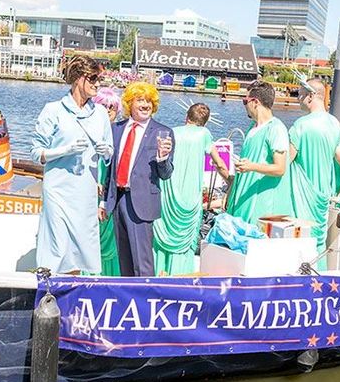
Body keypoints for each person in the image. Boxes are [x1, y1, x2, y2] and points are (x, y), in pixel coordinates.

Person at [31, 55, 114, 275]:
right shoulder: (53, 110)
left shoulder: (101, 114)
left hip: (85, 191)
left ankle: (73, 292)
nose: (98, 84)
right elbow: (36, 152)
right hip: (58, 189)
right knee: (57, 243)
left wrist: (107, 152)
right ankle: (49, 289)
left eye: (99, 79)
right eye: (93, 78)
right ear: (79, 78)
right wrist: (64, 150)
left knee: (81, 246)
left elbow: (109, 154)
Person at [102, 82, 174, 277]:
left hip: (142, 203)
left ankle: (145, 301)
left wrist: (163, 157)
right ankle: (128, 300)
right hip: (118, 200)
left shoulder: (163, 132)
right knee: (124, 261)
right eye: (140, 100)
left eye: (149, 101)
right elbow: (110, 168)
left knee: (142, 264)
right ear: (129, 104)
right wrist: (103, 201)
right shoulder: (116, 129)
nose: (146, 105)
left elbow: (166, 174)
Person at [152, 103, 228, 276]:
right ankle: (180, 276)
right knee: (185, 239)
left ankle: (158, 273)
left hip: (168, 193)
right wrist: (231, 181)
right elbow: (219, 163)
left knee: (163, 235)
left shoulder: (172, 132)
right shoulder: (204, 134)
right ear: (205, 122)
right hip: (190, 195)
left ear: (186, 117)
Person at [286, 79, 340, 262]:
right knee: (317, 244)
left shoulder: (301, 125)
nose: (298, 98)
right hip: (323, 198)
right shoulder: (335, 125)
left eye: (300, 94)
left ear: (311, 95)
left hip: (301, 196)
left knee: (298, 244)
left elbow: (284, 164)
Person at [225, 80, 292, 226]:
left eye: (245, 101)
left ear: (255, 102)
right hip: (242, 200)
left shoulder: (276, 129)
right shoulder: (252, 127)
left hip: (261, 205)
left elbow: (280, 168)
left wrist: (251, 166)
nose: (245, 106)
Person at [93, 87, 122, 276]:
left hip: (111, 193)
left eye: (111, 107)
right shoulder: (91, 131)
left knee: (112, 237)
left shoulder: (119, 133)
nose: (108, 110)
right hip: (91, 191)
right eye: (103, 106)